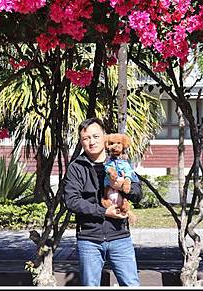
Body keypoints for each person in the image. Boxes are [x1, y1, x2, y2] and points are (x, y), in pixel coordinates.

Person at [63, 117, 143, 286]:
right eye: (86, 138)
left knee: (131, 285)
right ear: (81, 141)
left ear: (104, 137)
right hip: (89, 239)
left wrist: (121, 186)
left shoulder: (121, 163)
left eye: (96, 136)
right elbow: (71, 201)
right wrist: (103, 211)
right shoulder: (76, 167)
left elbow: (137, 193)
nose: (91, 142)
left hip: (120, 236)